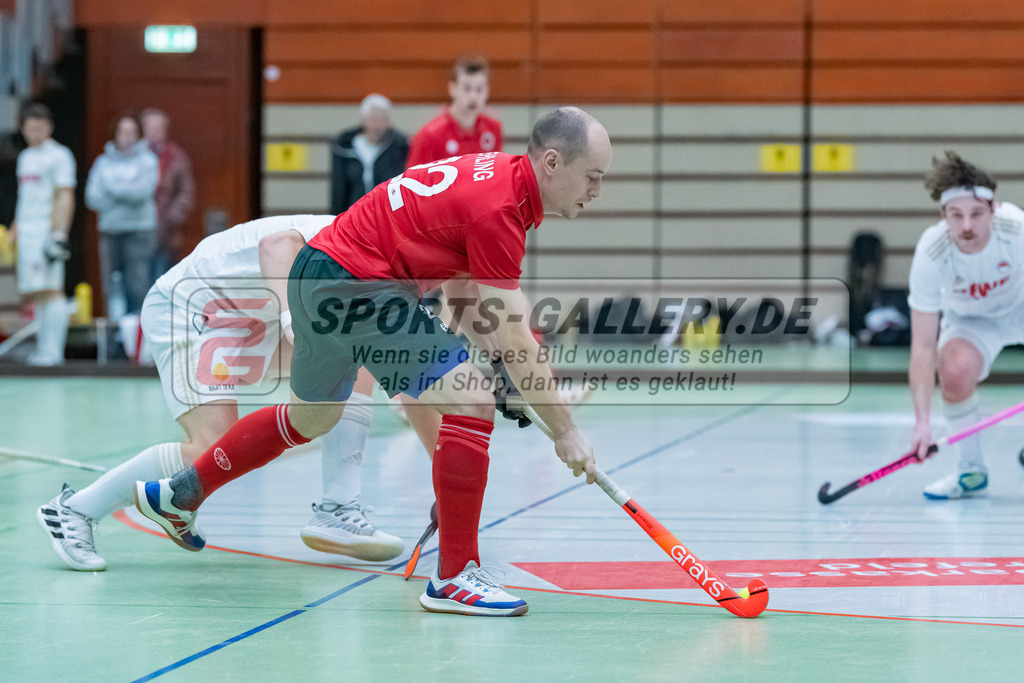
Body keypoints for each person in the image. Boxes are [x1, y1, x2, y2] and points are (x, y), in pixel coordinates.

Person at [135, 106, 612, 617]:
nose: (596, 191)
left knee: (310, 417)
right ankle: (454, 577)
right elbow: (514, 327)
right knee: (473, 397)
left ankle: (181, 492)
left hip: (319, 276)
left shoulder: (497, 176)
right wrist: (564, 429)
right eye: (593, 177)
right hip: (360, 286)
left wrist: (507, 368)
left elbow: (467, 292)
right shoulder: (499, 208)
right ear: (554, 163)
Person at [37, 214, 403, 571]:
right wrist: (295, 322)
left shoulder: (392, 250)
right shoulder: (363, 240)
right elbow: (274, 246)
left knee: (355, 357)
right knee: (211, 445)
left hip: (248, 316)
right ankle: (73, 509)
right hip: (192, 304)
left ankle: (338, 509)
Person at [908, 151, 1024, 499]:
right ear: (942, 215)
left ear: (994, 209)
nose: (967, 225)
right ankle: (971, 471)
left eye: (976, 213)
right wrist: (922, 422)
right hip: (971, 321)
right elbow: (923, 347)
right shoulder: (932, 253)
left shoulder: (1016, 229)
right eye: (956, 215)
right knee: (954, 371)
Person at [12, 103, 76, 366]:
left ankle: (53, 353)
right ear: (23, 129)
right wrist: (16, 227)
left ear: (48, 127)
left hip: (45, 232)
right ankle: (42, 348)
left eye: (40, 127)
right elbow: (24, 197)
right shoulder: (25, 157)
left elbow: (64, 194)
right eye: (30, 128)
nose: (35, 132)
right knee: (36, 292)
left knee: (51, 290)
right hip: (26, 234)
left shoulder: (59, 156)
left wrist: (58, 233)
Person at [85, 113, 159, 316]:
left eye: (131, 132)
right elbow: (92, 198)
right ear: (115, 133)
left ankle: (137, 334)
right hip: (110, 230)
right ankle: (116, 334)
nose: (126, 136)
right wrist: (125, 190)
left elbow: (141, 193)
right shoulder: (102, 163)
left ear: (138, 134)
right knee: (112, 285)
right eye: (122, 131)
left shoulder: (148, 160)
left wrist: (111, 189)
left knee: (137, 284)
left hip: (139, 230)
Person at [406, 56, 502, 167]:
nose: (473, 96)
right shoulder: (429, 136)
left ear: (487, 91)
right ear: (452, 89)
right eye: (467, 88)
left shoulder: (493, 129)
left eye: (479, 89)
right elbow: (412, 180)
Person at [330, 94, 409, 214]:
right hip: (353, 213)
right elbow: (338, 188)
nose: (377, 123)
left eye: (382, 118)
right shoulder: (344, 146)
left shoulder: (400, 145)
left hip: (387, 213)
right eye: (373, 118)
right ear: (363, 118)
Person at [141, 108, 196, 277]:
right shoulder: (134, 156)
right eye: (150, 127)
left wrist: (173, 216)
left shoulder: (176, 156)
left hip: (166, 231)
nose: (154, 132)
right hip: (136, 229)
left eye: (158, 127)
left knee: (163, 275)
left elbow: (186, 192)